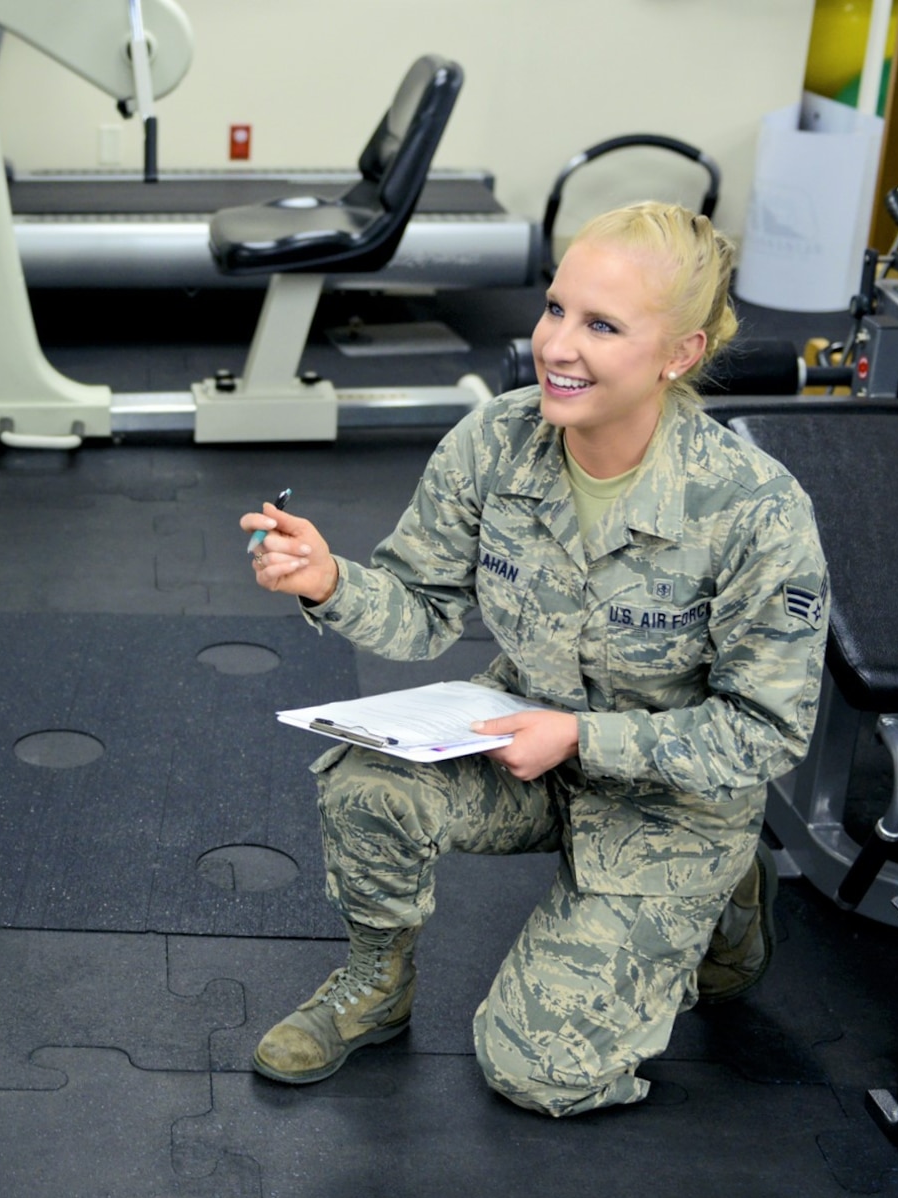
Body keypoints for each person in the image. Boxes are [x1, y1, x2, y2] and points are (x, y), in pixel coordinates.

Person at [239, 202, 830, 1117]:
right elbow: (422, 609)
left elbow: (766, 731)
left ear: (678, 354)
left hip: (673, 801)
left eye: (601, 325)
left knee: (533, 1070)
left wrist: (581, 736)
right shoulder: (497, 439)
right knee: (367, 782)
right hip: (523, 731)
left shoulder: (754, 509)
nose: (556, 343)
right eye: (555, 308)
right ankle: (376, 984)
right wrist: (327, 581)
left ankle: (726, 894)